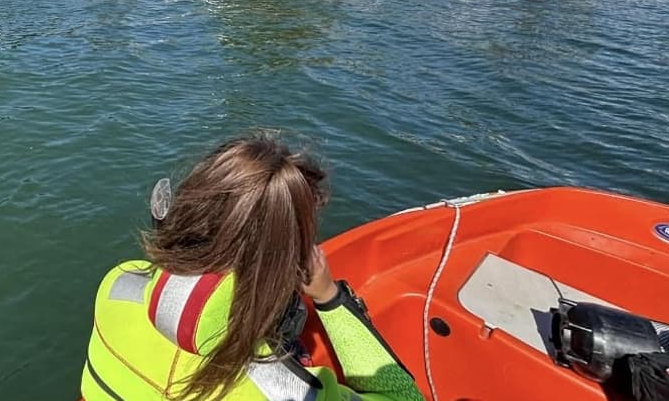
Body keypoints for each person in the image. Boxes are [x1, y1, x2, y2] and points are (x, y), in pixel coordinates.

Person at [80, 133, 425, 401]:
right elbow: (404, 396)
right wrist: (329, 298)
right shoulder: (286, 391)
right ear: (286, 270)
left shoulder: (118, 283)